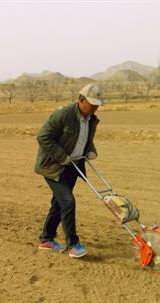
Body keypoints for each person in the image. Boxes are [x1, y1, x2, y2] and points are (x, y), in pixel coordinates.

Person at [34, 83, 104, 258]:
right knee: (68, 202)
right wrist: (61, 156)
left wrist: (89, 149)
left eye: (98, 104)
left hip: (73, 166)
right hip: (53, 166)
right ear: (81, 100)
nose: (96, 107)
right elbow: (43, 136)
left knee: (59, 204)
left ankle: (46, 239)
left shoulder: (91, 118)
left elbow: (85, 138)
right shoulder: (63, 115)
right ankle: (73, 244)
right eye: (93, 104)